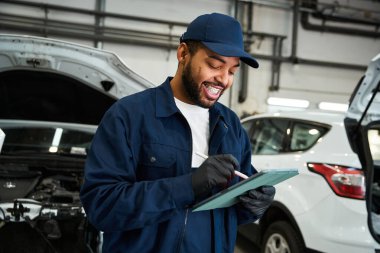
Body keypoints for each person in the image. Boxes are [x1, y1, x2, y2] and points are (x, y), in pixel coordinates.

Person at [80, 12, 275, 253]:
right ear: (183, 54)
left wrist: (254, 205)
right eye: (214, 65)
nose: (223, 80)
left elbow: (232, 213)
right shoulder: (129, 116)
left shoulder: (231, 125)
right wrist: (188, 186)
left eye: (232, 71)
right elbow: (102, 207)